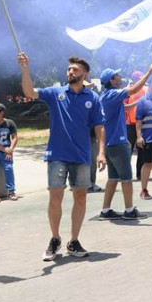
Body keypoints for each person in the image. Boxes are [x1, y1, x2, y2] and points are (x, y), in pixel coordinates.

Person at [18, 54, 106, 261]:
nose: (70, 72)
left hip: (82, 155)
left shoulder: (92, 98)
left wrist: (101, 152)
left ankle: (74, 240)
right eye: (69, 69)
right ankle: (55, 238)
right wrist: (25, 69)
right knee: (55, 197)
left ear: (84, 74)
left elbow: (99, 126)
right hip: (57, 155)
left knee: (80, 197)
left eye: (75, 70)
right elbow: (29, 92)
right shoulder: (55, 92)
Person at [98, 65, 152, 221]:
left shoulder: (106, 96)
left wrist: (136, 104)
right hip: (118, 143)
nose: (120, 77)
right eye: (117, 75)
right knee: (126, 179)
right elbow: (134, 89)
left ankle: (106, 209)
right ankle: (129, 210)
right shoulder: (113, 94)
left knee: (113, 178)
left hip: (110, 144)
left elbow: (125, 106)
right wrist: (149, 72)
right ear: (112, 80)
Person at [123, 71, 147, 179]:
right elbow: (124, 106)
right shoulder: (128, 90)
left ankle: (140, 174)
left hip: (143, 123)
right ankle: (125, 173)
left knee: (142, 150)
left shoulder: (145, 89)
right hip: (131, 124)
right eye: (139, 78)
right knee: (128, 150)